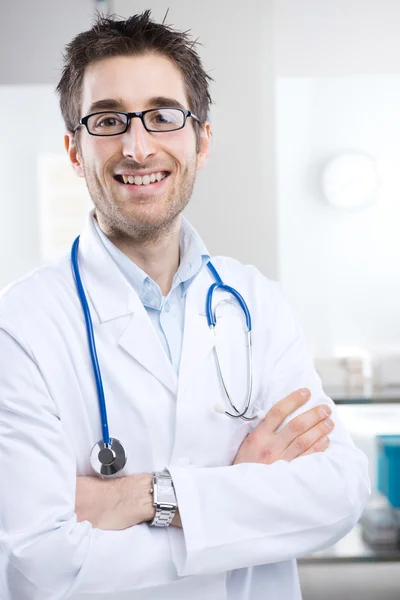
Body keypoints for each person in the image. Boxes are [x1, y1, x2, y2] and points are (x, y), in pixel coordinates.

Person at [0, 11, 370, 600]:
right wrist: (244, 506)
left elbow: (340, 494)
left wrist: (145, 496)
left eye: (163, 115)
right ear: (74, 150)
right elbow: (43, 557)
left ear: (201, 140)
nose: (137, 145)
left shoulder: (255, 302)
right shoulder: (20, 325)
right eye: (108, 119)